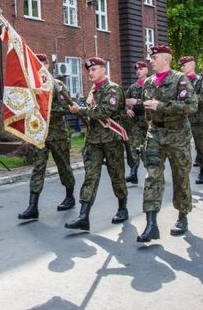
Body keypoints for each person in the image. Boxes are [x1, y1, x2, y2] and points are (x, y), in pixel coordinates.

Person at [136, 45, 198, 243]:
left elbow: (191, 105)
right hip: (155, 134)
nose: (150, 61)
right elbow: (146, 111)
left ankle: (182, 216)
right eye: (150, 57)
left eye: (154, 57)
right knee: (152, 176)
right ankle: (151, 224)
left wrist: (161, 106)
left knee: (180, 175)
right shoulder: (148, 82)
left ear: (165, 59)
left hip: (177, 135)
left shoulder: (179, 79)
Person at [65, 57, 129, 231]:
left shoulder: (113, 89)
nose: (90, 73)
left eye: (93, 69)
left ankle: (122, 207)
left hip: (111, 140)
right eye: (89, 70)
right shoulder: (92, 91)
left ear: (103, 70)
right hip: (93, 141)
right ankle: (84, 216)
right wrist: (78, 111)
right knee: (90, 177)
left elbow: (105, 111)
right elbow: (90, 115)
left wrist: (81, 110)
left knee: (117, 175)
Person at [19, 54, 76, 220]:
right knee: (38, 168)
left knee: (63, 166)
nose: (39, 68)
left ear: (47, 65)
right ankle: (32, 206)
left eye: (41, 64)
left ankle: (70, 196)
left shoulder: (57, 85)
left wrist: (47, 112)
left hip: (57, 134)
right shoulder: (31, 88)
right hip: (40, 134)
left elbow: (69, 107)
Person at [179, 55, 203, 184]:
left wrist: (188, 99)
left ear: (192, 65)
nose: (182, 67)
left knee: (201, 147)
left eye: (184, 65)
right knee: (182, 148)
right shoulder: (179, 81)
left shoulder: (202, 81)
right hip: (183, 120)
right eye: (181, 65)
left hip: (199, 120)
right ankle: (184, 172)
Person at [124, 60, 149, 184]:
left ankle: (154, 172)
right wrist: (127, 109)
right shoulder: (132, 88)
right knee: (135, 147)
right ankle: (133, 173)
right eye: (137, 69)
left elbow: (155, 100)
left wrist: (137, 102)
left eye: (141, 68)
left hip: (150, 121)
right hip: (137, 122)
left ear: (147, 70)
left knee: (150, 148)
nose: (138, 71)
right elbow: (124, 102)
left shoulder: (152, 84)